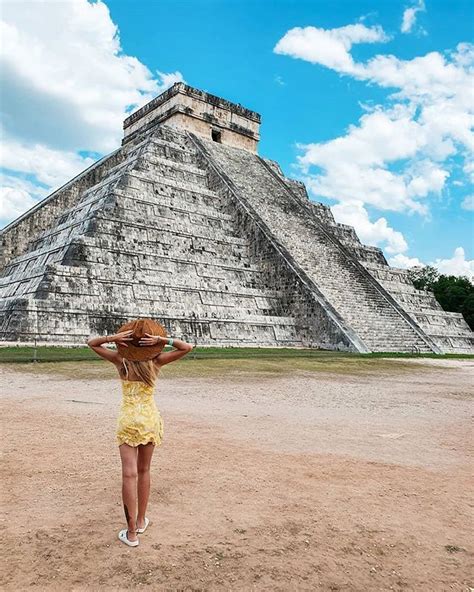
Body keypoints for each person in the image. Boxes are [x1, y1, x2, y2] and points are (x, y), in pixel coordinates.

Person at [87, 318, 194, 547]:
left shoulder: (120, 361)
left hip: (128, 420)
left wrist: (112, 339)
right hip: (148, 420)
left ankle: (132, 533)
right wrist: (162, 340)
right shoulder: (156, 363)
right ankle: (142, 519)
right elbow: (187, 347)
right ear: (150, 344)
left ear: (128, 342)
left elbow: (92, 343)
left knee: (129, 475)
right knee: (144, 470)